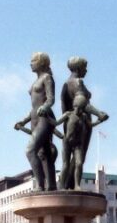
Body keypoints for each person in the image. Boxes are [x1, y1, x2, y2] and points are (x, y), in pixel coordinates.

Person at [15, 52, 57, 191]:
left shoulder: (47, 78)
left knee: (30, 150)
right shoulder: (35, 82)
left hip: (45, 117)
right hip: (34, 117)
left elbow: (51, 99)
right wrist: (23, 121)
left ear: (42, 62)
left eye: (33, 61)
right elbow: (33, 108)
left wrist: (45, 107)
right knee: (43, 154)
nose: (30, 63)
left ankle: (39, 184)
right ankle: (50, 185)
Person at [54, 92, 107, 190]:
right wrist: (58, 134)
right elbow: (55, 123)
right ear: (76, 105)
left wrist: (100, 120)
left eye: (82, 108)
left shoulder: (84, 116)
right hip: (67, 142)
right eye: (80, 107)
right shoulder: (68, 114)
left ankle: (77, 185)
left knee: (79, 163)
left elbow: (90, 125)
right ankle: (61, 185)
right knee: (65, 164)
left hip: (78, 144)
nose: (80, 110)